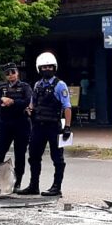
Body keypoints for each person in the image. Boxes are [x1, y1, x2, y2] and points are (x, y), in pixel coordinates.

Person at [18, 52, 71, 197]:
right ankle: (33, 185)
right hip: (38, 127)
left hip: (54, 126)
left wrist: (67, 127)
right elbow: (33, 103)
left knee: (57, 158)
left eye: (50, 67)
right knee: (33, 156)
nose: (47, 69)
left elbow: (67, 107)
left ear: (54, 68)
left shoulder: (60, 85)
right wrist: (28, 110)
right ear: (39, 69)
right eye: (44, 67)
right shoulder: (37, 85)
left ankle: (56, 187)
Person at [0, 62, 33, 193]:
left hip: (21, 124)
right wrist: (2, 100)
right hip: (5, 125)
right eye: (7, 73)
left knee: (20, 155)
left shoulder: (24, 87)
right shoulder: (2, 88)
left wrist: (12, 102)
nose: (11, 75)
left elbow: (27, 101)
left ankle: (17, 183)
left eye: (13, 72)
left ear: (17, 73)